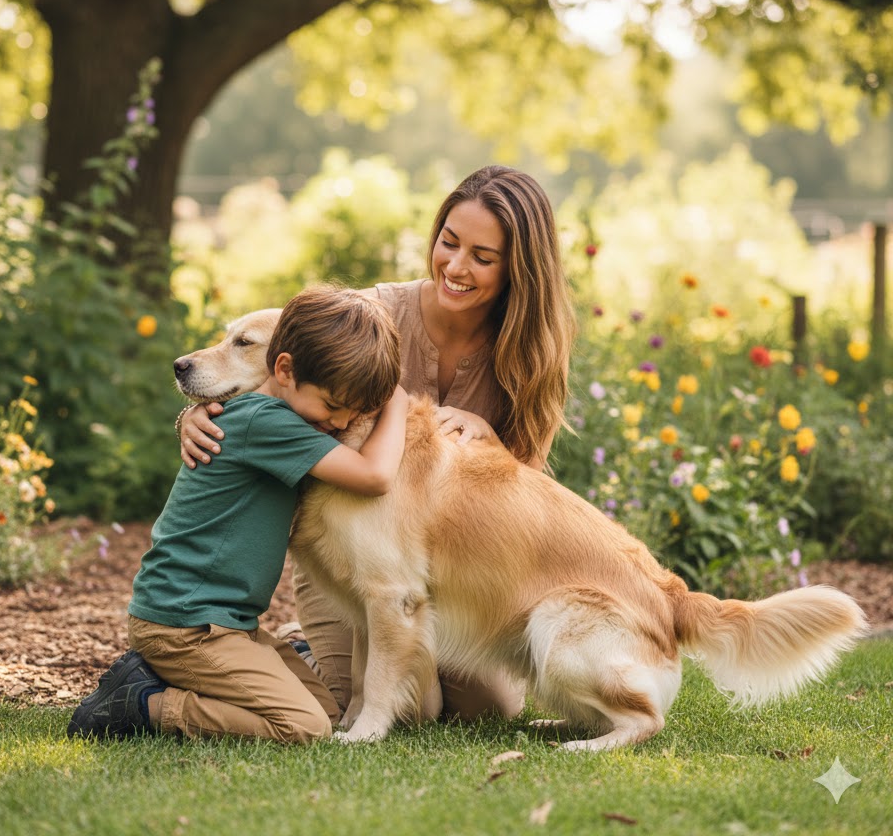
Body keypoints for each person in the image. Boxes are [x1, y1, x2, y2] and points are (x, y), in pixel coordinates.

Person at [176, 165, 577, 722]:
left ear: (519, 269)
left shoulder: (528, 356)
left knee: (489, 711)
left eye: (482, 258)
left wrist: (491, 443)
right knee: (378, 704)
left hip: (452, 569)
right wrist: (193, 416)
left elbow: (524, 497)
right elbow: (265, 360)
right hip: (352, 558)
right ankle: (301, 648)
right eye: (448, 243)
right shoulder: (367, 316)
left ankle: (396, 647)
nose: (456, 267)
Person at [69, 285, 408, 743]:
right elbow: (374, 476)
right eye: (333, 406)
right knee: (305, 728)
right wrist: (398, 402)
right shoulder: (266, 422)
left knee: (328, 712)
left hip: (227, 624)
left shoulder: (267, 415)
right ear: (285, 369)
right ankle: (142, 704)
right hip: (186, 625)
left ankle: (175, 677)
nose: (343, 422)